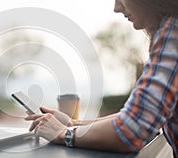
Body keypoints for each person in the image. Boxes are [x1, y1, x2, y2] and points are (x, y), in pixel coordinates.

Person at [25, 0, 178, 157]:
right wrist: (73, 124)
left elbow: (131, 129)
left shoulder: (173, 34)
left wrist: (64, 134)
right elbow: (142, 117)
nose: (116, 8)